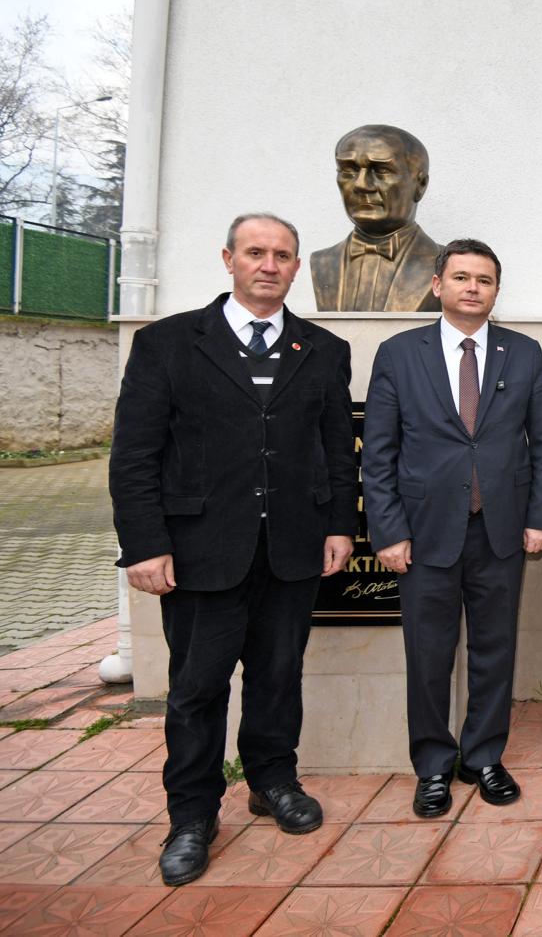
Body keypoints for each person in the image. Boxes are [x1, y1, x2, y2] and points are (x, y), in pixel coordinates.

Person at [109, 213, 357, 886]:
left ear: (296, 267)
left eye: (281, 255)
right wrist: (144, 544)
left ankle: (272, 780)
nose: (268, 264)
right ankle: (191, 815)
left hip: (292, 551)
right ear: (228, 259)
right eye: (255, 252)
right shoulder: (168, 344)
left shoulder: (324, 349)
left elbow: (336, 450)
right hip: (198, 552)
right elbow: (135, 453)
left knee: (279, 677)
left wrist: (340, 526)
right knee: (195, 690)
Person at [361, 239, 542, 817]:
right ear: (438, 285)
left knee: (495, 651)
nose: (473, 288)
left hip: (500, 530)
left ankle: (482, 757)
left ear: (497, 291)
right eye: (462, 277)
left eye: (485, 280)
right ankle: (431, 765)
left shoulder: (523, 354)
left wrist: (541, 517)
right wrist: (389, 532)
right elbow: (378, 454)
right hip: (424, 536)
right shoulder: (400, 354)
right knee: (428, 656)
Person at [310, 124, 443, 312]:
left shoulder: (445, 267)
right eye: (349, 170)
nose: (362, 185)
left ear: (420, 185)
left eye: (381, 171)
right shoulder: (321, 262)